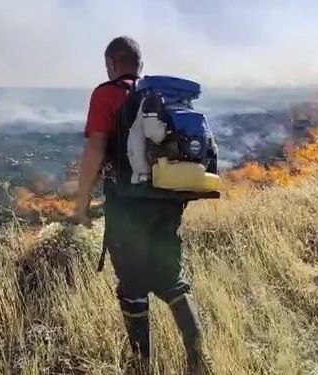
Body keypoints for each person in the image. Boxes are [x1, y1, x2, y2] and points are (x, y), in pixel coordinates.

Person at [72, 36, 212, 374]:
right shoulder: (162, 98)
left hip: (128, 205)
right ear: (141, 66)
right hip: (168, 202)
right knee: (173, 281)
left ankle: (141, 366)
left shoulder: (106, 94)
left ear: (111, 63)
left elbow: (95, 149)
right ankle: (198, 361)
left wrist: (81, 203)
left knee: (133, 287)